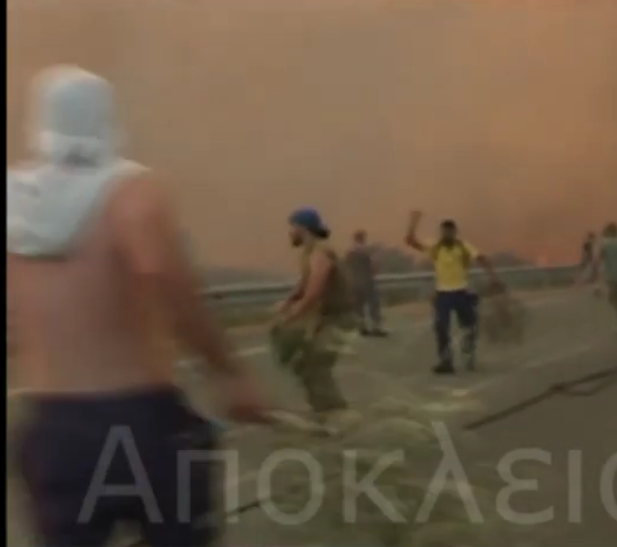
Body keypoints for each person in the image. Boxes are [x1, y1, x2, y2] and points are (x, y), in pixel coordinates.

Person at [6, 66, 269, 547]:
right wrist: (227, 371)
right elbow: (162, 275)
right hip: (140, 419)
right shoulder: (133, 193)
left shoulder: (13, 200)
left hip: (52, 428)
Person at [271, 207, 357, 431]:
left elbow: (314, 290)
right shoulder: (308, 253)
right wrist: (287, 304)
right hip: (326, 319)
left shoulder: (321, 252)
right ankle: (322, 411)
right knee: (304, 363)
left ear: (302, 228)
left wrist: (293, 314)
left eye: (293, 228)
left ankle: (338, 415)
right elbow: (302, 287)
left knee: (318, 363)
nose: (290, 233)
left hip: (340, 319)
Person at [404, 210, 503, 374]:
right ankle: (446, 361)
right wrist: (414, 222)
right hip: (443, 294)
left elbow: (481, 257)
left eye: (449, 232)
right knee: (441, 328)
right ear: (441, 232)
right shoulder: (436, 247)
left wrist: (493, 276)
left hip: (461, 292)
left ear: (454, 232)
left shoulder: (463, 246)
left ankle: (468, 351)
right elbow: (411, 241)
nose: (446, 234)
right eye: (444, 232)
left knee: (470, 325)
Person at [345, 229, 387, 337]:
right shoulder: (366, 251)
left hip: (354, 282)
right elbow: (373, 266)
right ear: (363, 238)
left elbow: (346, 266)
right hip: (367, 281)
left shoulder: (349, 252)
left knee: (358, 306)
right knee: (373, 304)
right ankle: (376, 327)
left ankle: (362, 328)